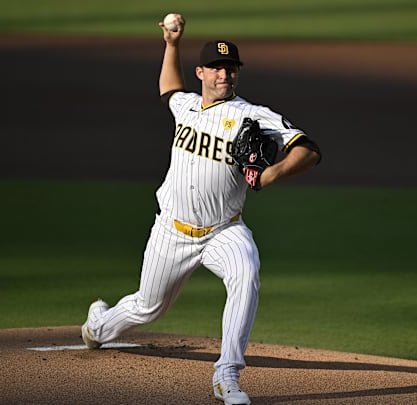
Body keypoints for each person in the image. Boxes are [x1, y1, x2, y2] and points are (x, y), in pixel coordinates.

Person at [80, 13, 321, 405]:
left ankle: (227, 373)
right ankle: (100, 325)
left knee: (246, 271)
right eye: (217, 68)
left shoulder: (252, 115)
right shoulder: (187, 106)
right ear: (202, 72)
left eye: (231, 69)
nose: (225, 75)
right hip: (171, 231)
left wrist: (269, 175)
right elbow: (168, 91)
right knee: (147, 307)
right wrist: (171, 44)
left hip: (222, 231)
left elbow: (309, 150)